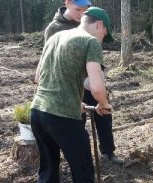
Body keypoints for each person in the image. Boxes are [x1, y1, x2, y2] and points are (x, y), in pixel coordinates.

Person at [31, 7, 114, 183]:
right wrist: (104, 104)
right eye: (104, 35)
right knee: (83, 170)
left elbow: (39, 77)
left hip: (39, 111)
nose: (103, 41)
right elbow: (97, 88)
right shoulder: (90, 42)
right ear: (99, 25)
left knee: (48, 168)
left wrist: (76, 102)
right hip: (62, 117)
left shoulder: (56, 35)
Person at [44, 0, 124, 165]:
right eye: (78, 9)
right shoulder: (55, 29)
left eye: (85, 10)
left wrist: (100, 86)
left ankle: (108, 152)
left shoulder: (89, 25)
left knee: (104, 114)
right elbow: (50, 62)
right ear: (67, 4)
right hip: (71, 84)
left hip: (91, 80)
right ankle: (79, 157)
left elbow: (94, 60)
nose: (82, 14)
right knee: (77, 122)